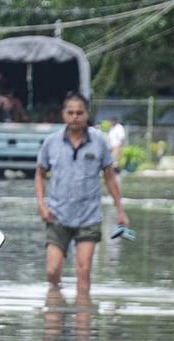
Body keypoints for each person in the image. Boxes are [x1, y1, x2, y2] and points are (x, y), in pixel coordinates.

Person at [34, 92, 129, 301]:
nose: (75, 117)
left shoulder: (99, 143)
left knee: (83, 270)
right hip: (56, 214)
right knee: (52, 270)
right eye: (70, 112)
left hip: (89, 216)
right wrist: (41, 205)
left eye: (79, 112)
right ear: (63, 114)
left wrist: (120, 211)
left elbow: (110, 177)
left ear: (87, 114)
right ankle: (55, 310)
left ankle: (83, 323)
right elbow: (40, 175)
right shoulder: (51, 143)